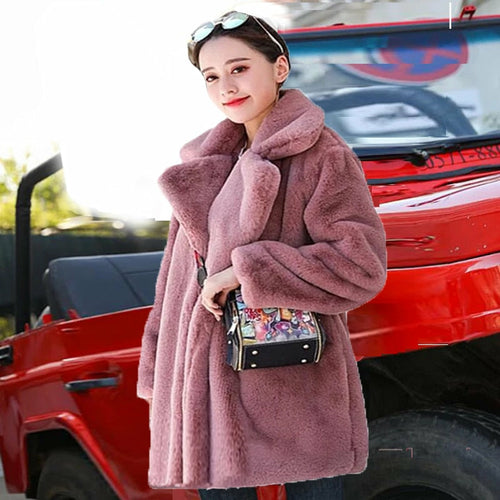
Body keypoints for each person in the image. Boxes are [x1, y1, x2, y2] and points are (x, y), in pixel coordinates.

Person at [137, 10, 387, 500]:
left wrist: (246, 271)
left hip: (290, 384)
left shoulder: (320, 155)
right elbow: (173, 283)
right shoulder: (205, 166)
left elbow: (360, 265)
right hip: (205, 393)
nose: (225, 85)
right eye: (211, 76)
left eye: (239, 68)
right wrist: (158, 371)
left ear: (279, 68)